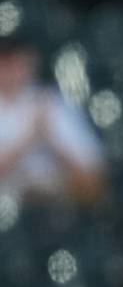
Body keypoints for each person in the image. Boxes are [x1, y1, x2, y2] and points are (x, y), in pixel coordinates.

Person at [0, 34, 105, 209]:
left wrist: (51, 139)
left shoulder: (52, 104)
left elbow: (94, 182)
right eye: (5, 63)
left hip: (54, 209)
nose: (12, 70)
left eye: (17, 63)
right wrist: (31, 138)